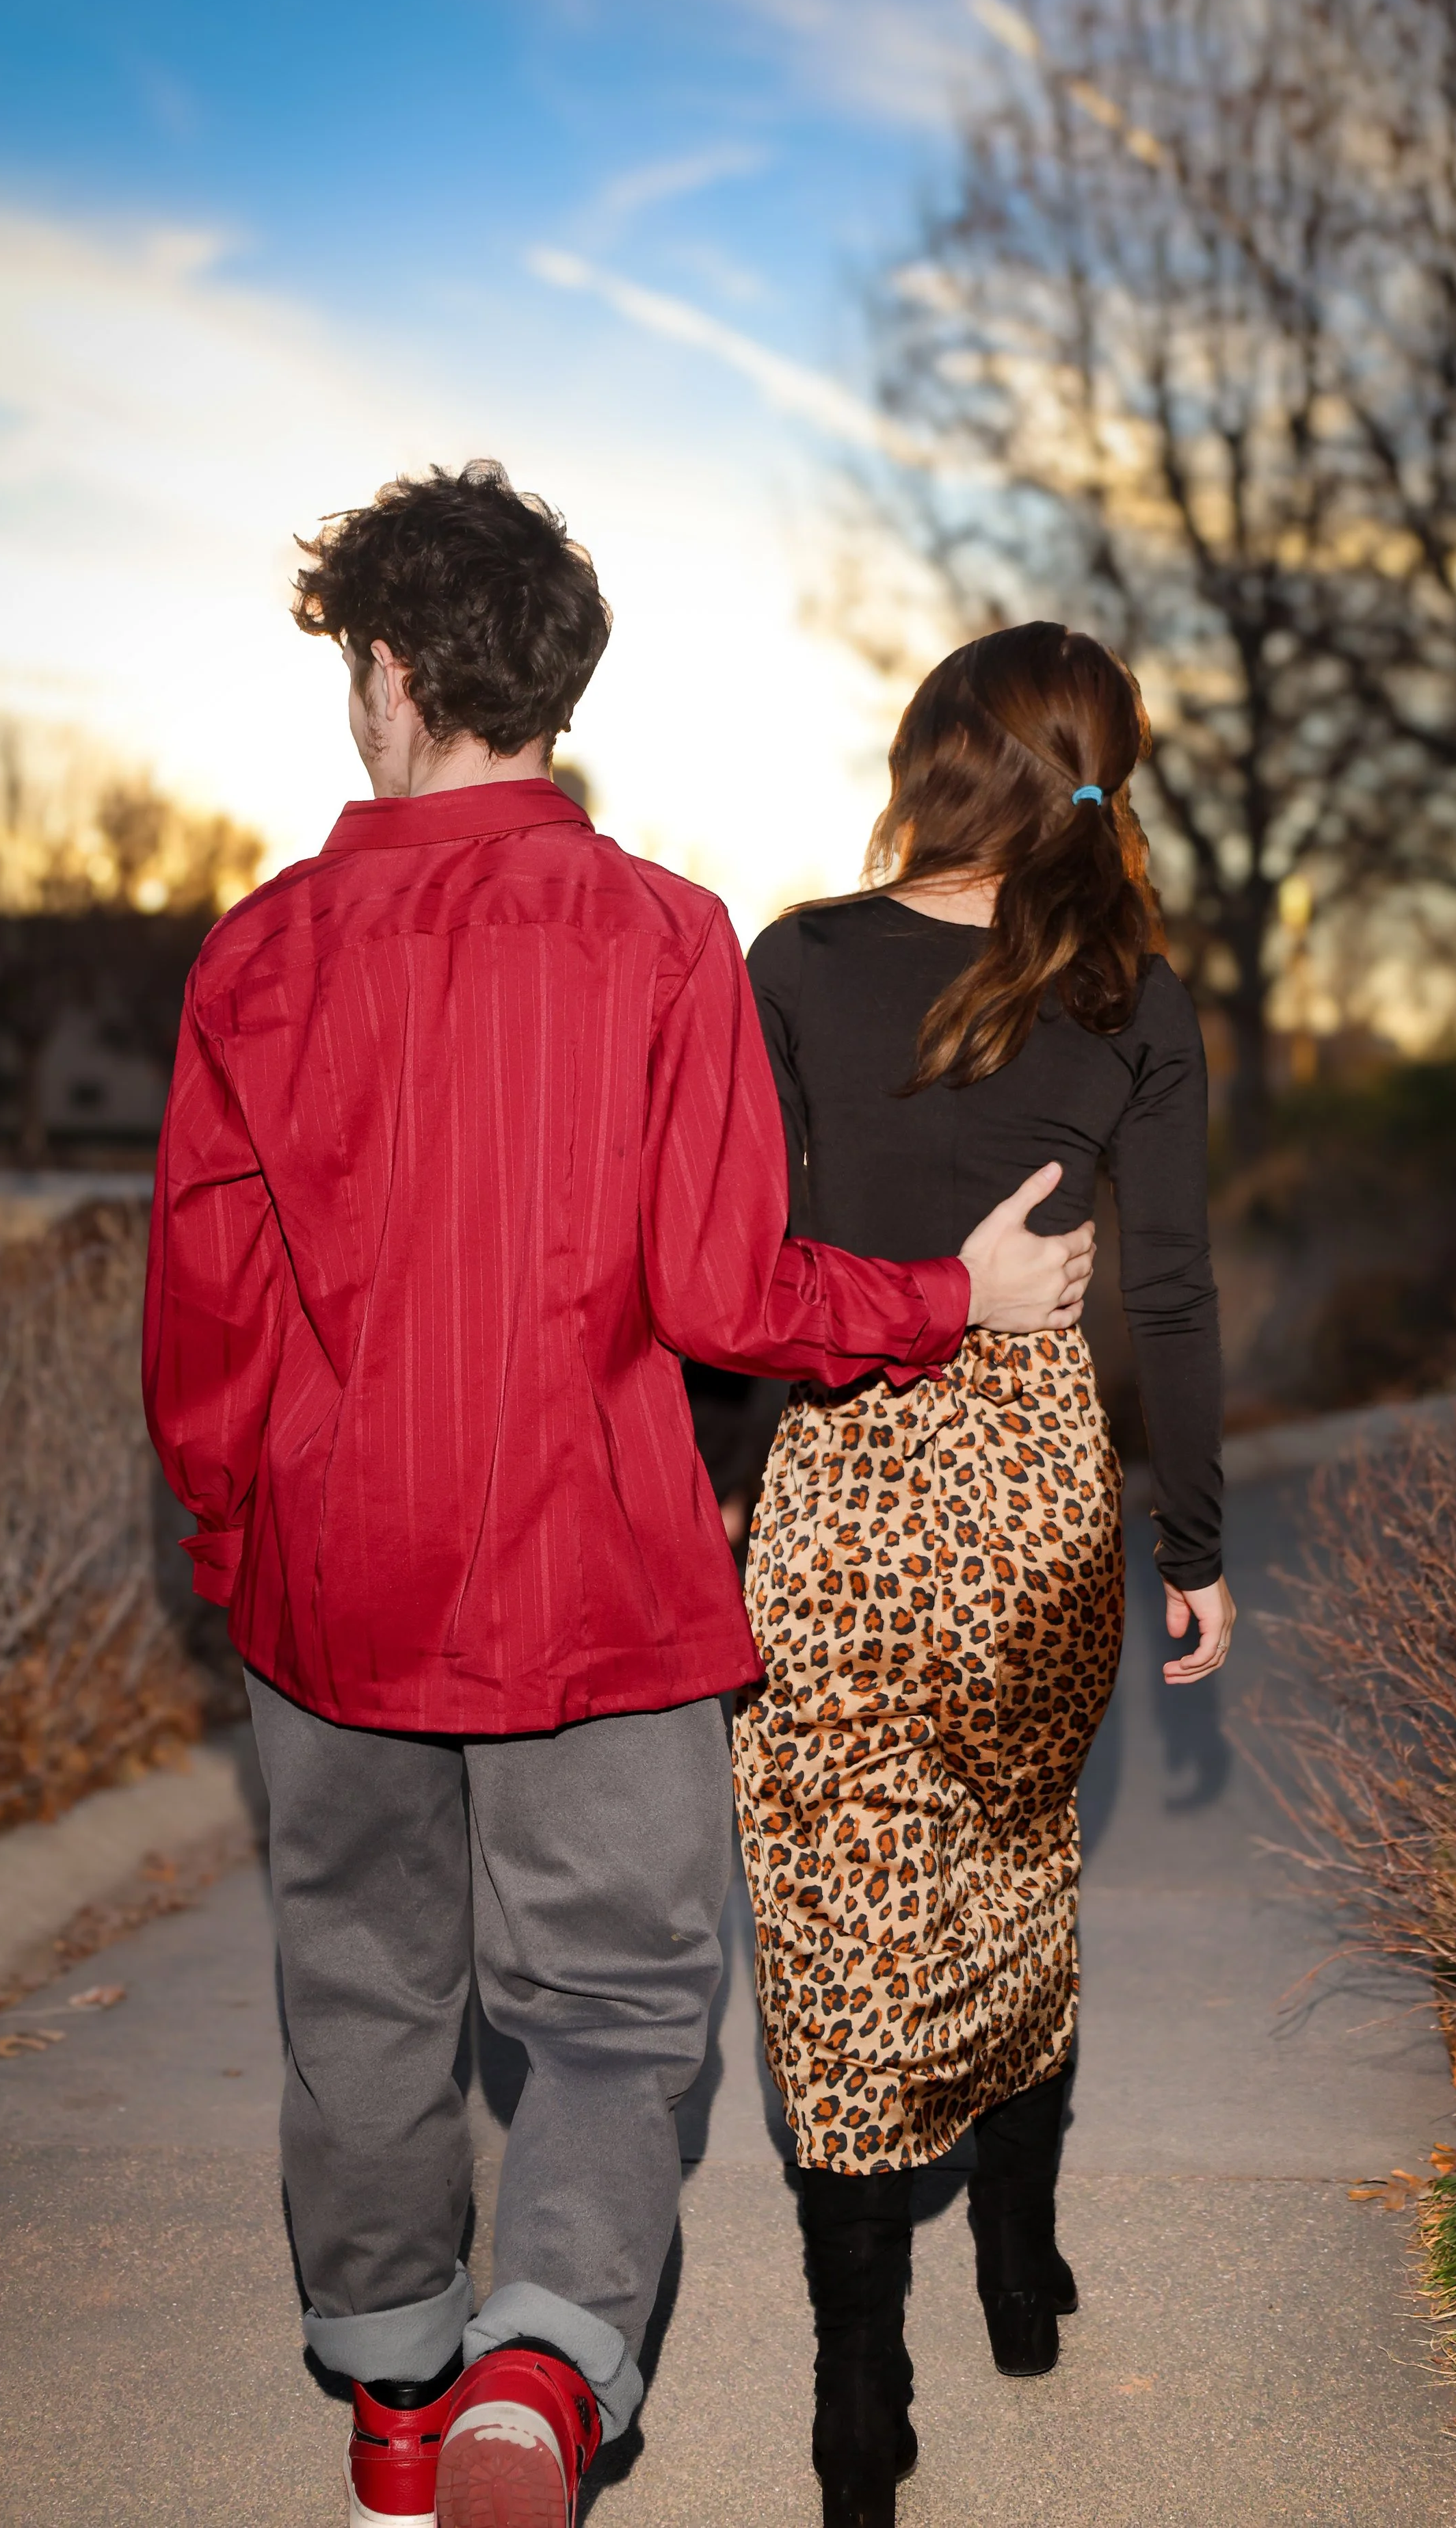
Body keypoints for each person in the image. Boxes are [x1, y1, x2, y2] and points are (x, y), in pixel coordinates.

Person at [141, 464, 1099, 2528]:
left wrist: (230, 1546)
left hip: (335, 1589)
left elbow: (208, 1311)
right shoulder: (665, 937)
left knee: (367, 1988)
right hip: (597, 1581)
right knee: (610, 2007)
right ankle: (547, 2367)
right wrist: (958, 1292)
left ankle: (399, 2405)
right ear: (548, 685)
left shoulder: (259, 957)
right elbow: (722, 1287)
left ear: (391, 671)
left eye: (353, 670)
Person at [736, 622, 1234, 2528]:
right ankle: (1016, 2272)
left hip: (844, 1482)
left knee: (839, 1922)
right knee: (1016, 1862)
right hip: (1031, 1495)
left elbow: (739, 1258)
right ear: (1094, 780)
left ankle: (859, 2397)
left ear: (935, 752)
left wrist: (713, 1498)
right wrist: (1190, 1545)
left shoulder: (795, 960)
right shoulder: (1135, 999)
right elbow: (1168, 1296)